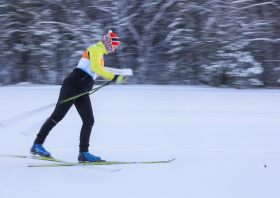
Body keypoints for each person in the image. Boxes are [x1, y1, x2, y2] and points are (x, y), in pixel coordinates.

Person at [30, 30, 126, 162]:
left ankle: (83, 154)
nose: (113, 51)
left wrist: (116, 76)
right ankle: (37, 145)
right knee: (57, 116)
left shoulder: (100, 54)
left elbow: (99, 69)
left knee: (89, 121)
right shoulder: (95, 48)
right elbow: (96, 68)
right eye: (114, 47)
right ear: (108, 43)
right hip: (73, 85)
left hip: (82, 90)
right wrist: (113, 77)